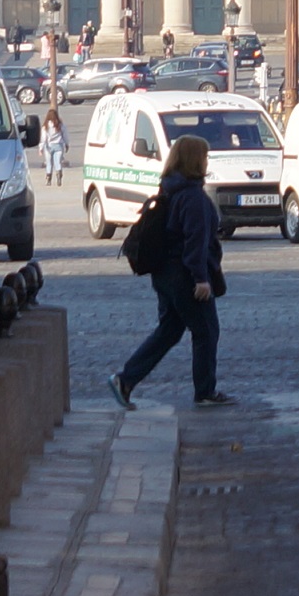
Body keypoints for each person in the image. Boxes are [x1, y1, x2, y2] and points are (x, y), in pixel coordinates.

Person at [111, 136, 233, 409]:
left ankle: (126, 379)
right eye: (205, 156)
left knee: (169, 330)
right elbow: (196, 242)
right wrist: (201, 279)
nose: (207, 161)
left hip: (163, 273)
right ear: (195, 160)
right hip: (185, 277)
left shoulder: (169, 190)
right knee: (206, 331)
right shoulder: (193, 198)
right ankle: (205, 392)